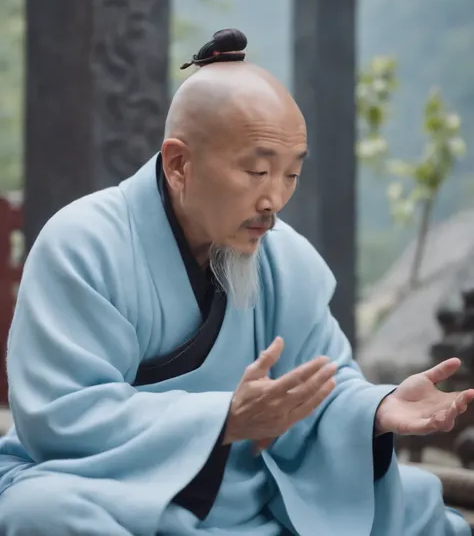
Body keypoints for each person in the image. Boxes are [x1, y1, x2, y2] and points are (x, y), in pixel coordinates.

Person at [0, 28, 472, 536]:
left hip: (251, 491)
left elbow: (322, 388)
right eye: (256, 171)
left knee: (418, 505)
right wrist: (224, 418)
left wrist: (377, 408)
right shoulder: (83, 245)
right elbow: (62, 418)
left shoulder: (286, 260)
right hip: (117, 494)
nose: (274, 200)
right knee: (40, 516)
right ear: (180, 164)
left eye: (290, 175)